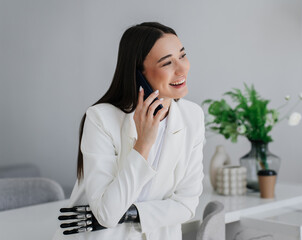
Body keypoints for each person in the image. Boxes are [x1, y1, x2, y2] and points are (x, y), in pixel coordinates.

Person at [52, 22, 205, 240]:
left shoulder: (192, 117)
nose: (182, 69)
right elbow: (106, 215)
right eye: (167, 63)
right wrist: (142, 145)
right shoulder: (101, 119)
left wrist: (131, 213)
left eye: (182, 56)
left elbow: (187, 204)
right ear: (138, 74)